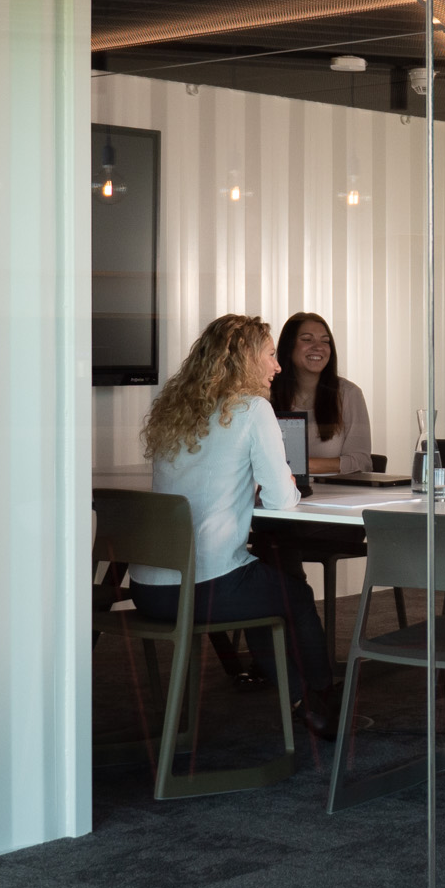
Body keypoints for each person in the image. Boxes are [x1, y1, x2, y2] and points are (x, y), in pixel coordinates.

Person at [131, 314, 338, 738]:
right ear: (245, 360)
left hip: (149, 592)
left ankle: (302, 701)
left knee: (264, 590)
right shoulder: (252, 409)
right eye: (269, 355)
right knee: (293, 594)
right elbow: (283, 501)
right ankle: (326, 701)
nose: (277, 367)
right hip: (205, 590)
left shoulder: (177, 410)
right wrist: (285, 483)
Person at [270, 311, 372, 474]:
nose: (318, 347)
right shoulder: (265, 394)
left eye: (325, 341)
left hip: (335, 496)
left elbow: (361, 462)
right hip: (277, 496)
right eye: (307, 339)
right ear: (289, 346)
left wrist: (298, 465)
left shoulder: (349, 394)